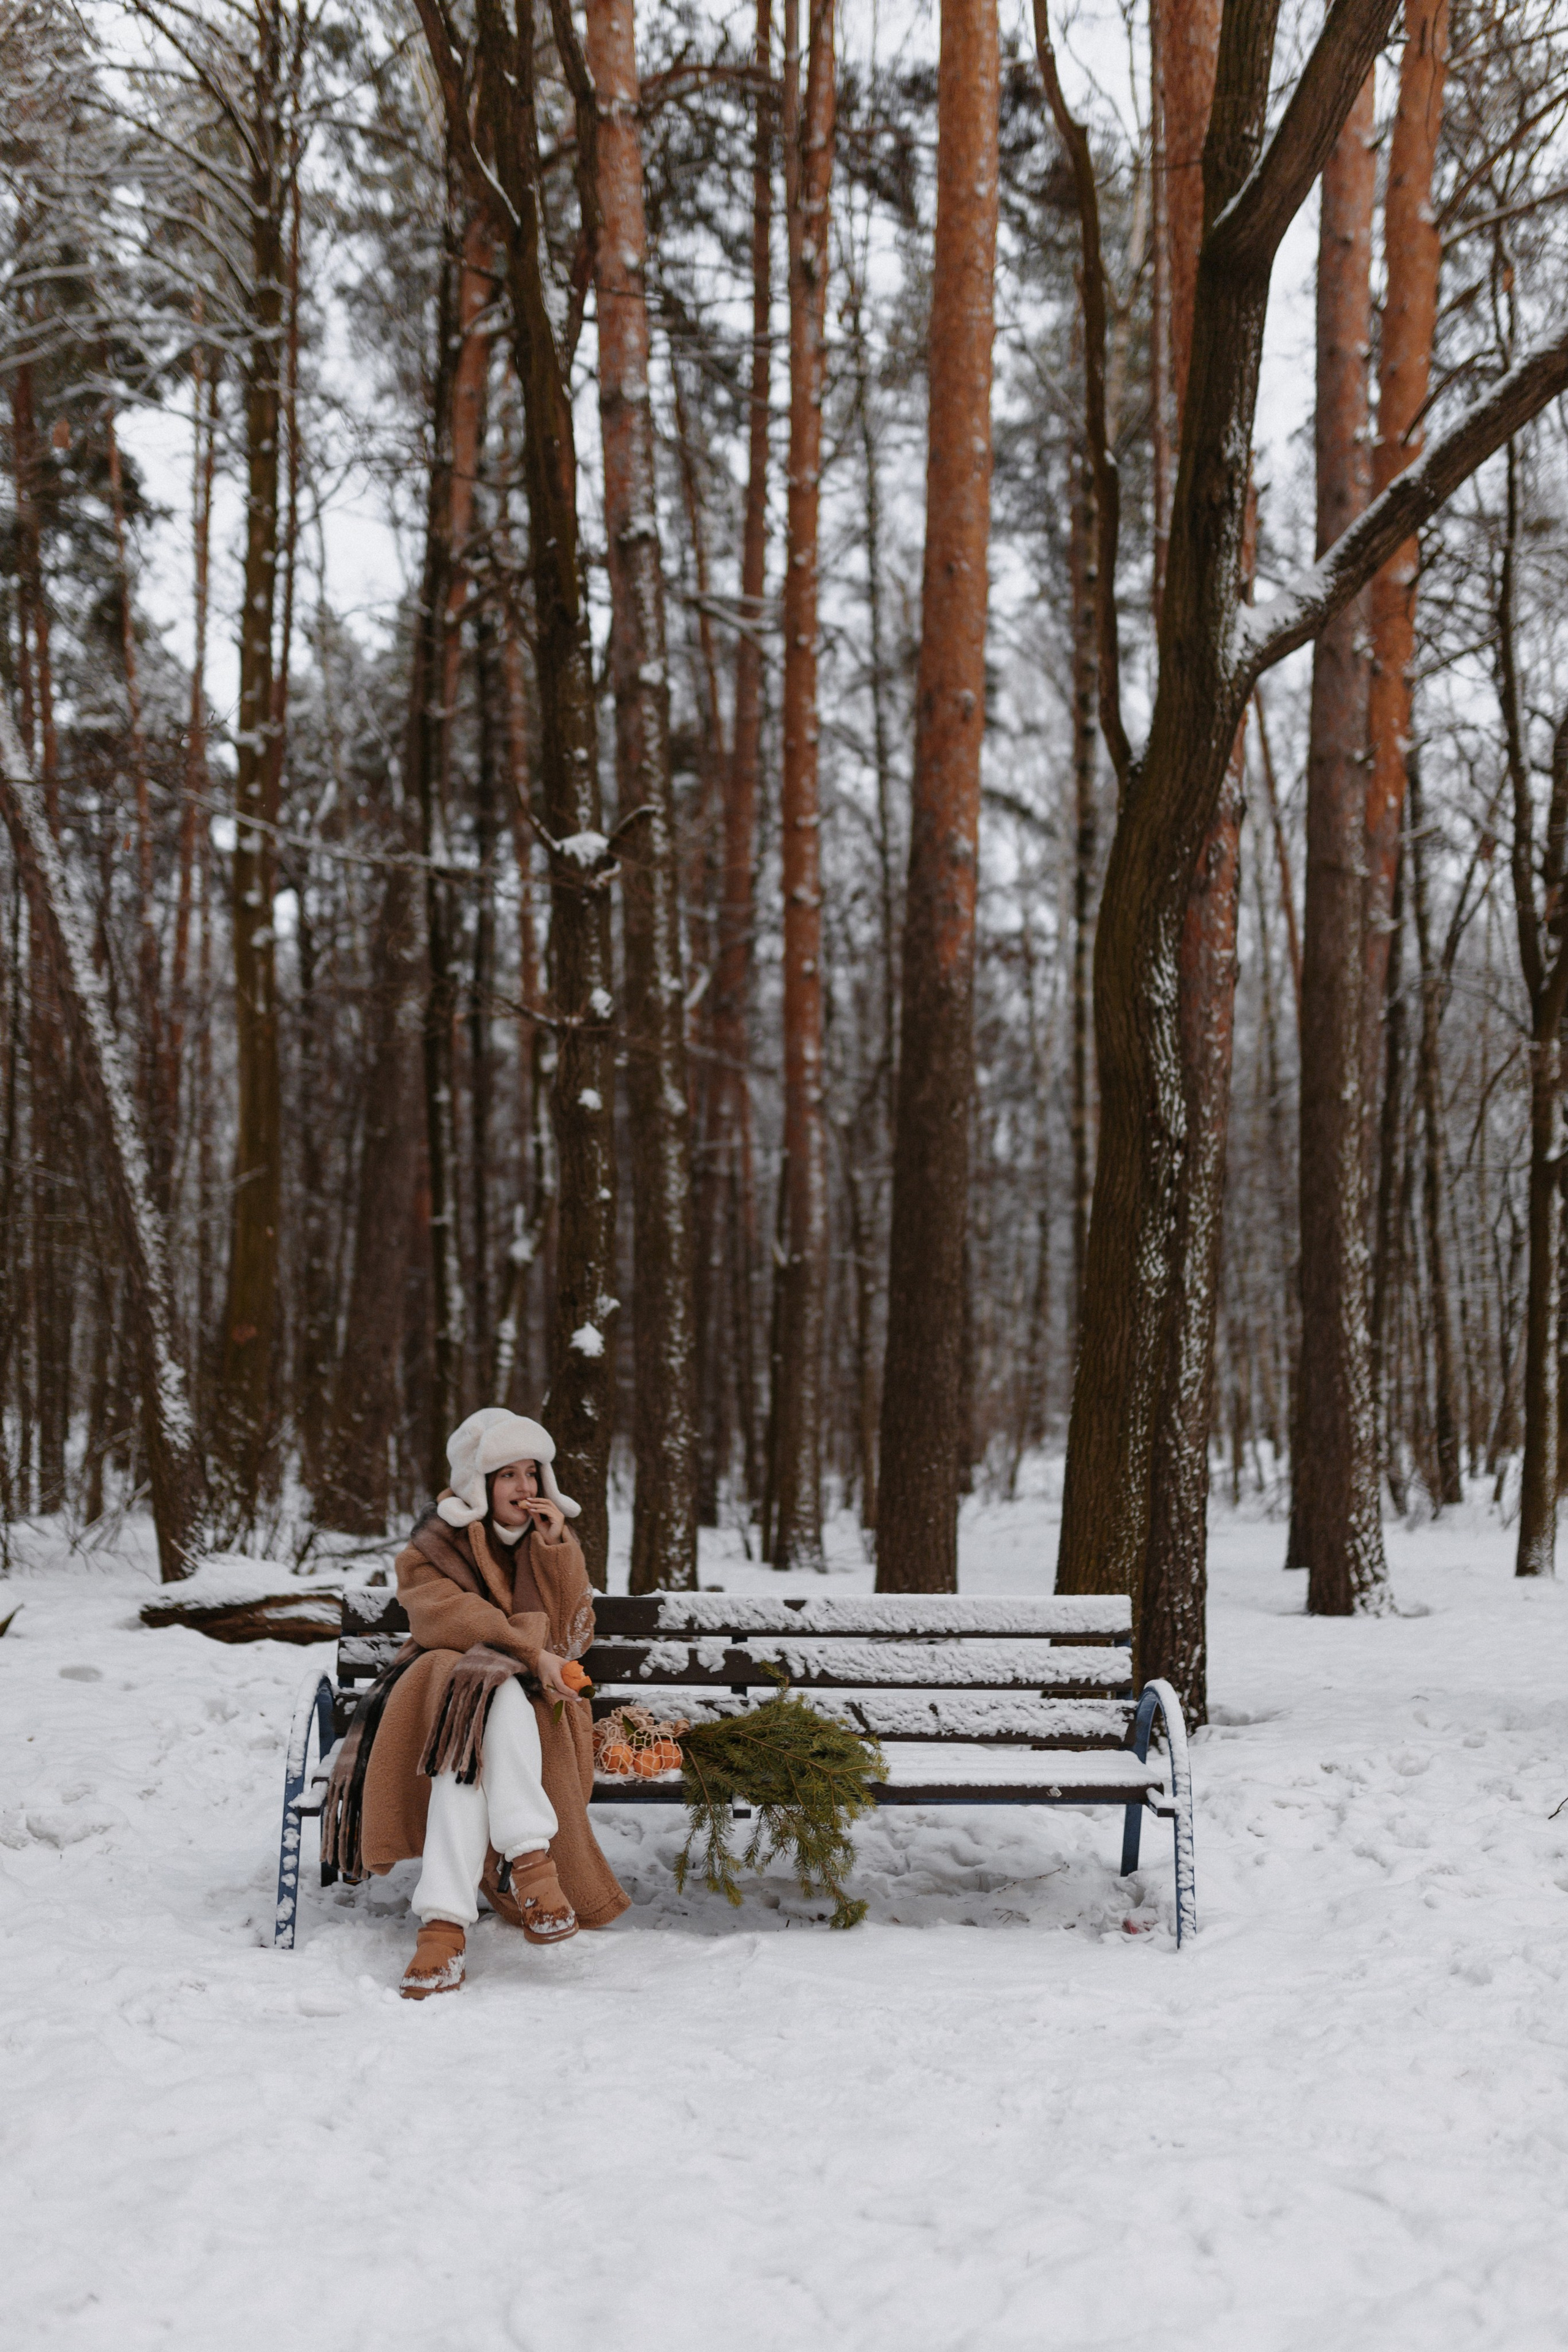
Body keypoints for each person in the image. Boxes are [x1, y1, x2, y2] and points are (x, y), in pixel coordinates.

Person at [320, 1406, 629, 1997]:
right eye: (508, 1474)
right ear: (478, 1482)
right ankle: (533, 1865)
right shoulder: (430, 1547)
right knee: (483, 1687)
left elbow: (570, 1638)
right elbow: (448, 1616)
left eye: (532, 1473)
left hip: (517, 1716)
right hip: (437, 1693)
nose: (525, 1487)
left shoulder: (548, 1538)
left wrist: (555, 1549)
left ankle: (442, 1931)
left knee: (470, 1747)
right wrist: (529, 1655)